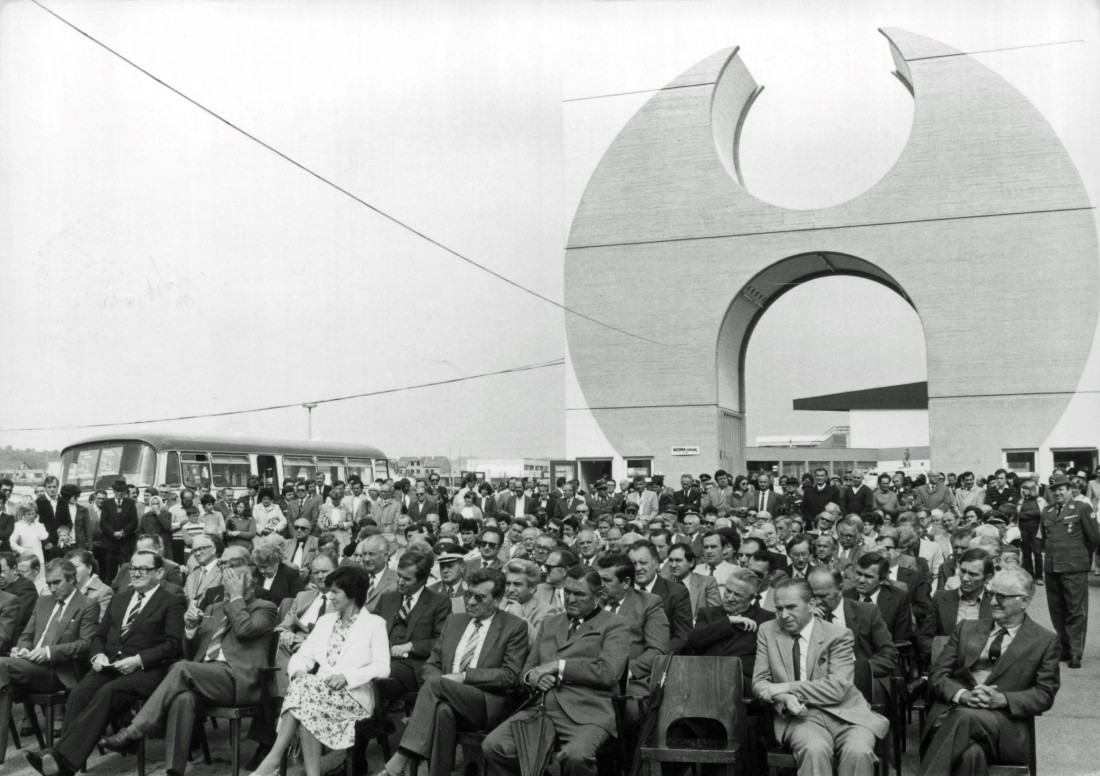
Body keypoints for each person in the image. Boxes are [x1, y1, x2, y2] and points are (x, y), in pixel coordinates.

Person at [98, 547, 277, 775]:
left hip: (239, 681)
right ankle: (174, 770)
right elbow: (192, 653)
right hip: (206, 675)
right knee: (184, 699)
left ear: (251, 584)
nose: (230, 584)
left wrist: (236, 598)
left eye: (237, 580)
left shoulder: (266, 608)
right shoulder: (214, 607)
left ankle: (135, 731)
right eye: (229, 580)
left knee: (181, 668)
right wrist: (191, 630)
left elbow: (244, 629)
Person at [24, 550, 185, 776]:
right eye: (133, 569)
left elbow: (173, 645)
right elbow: (98, 637)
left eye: (143, 569)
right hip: (111, 666)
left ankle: (60, 761)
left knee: (109, 691)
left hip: (147, 670)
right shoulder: (120, 598)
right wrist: (97, 656)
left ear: (159, 572)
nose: (136, 573)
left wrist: (139, 660)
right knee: (80, 692)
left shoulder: (172, 601)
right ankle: (64, 762)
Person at [482, 564, 631, 776]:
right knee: (494, 745)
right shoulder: (550, 623)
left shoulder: (615, 625)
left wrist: (558, 667)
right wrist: (533, 678)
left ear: (598, 595)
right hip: (543, 708)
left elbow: (609, 673)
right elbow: (527, 672)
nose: (570, 599)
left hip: (589, 711)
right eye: (567, 592)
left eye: (579, 594)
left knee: (576, 757)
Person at [379, 568, 529, 776]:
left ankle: (400, 758)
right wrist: (443, 683)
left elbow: (510, 676)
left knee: (435, 684)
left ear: (497, 600)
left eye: (480, 597)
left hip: (483, 703)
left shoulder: (514, 626)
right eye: (469, 595)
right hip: (445, 697)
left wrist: (462, 677)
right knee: (442, 711)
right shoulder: (455, 621)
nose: (471, 602)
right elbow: (431, 664)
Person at [249, 566, 391, 776]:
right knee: (305, 692)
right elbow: (302, 656)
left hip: (353, 697)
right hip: (317, 694)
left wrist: (347, 677)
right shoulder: (326, 622)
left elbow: (382, 667)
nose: (330, 596)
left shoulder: (374, 624)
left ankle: (272, 760)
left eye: (335, 592)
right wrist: (298, 672)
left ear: (352, 593)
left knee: (305, 693)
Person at [919, 567, 1060, 776]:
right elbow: (938, 674)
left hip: (1005, 728)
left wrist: (1002, 699)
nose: (993, 602)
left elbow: (1044, 694)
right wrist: (963, 695)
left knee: (964, 719)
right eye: (991, 594)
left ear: (1024, 601)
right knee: (970, 755)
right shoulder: (966, 628)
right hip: (955, 717)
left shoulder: (1044, 640)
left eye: (1001, 597)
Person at [753, 578, 889, 776]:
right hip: (801, 717)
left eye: (791, 607)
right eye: (779, 608)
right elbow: (759, 682)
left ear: (811, 604)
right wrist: (784, 698)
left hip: (848, 714)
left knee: (858, 752)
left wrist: (786, 687)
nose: (784, 615)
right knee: (814, 750)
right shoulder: (767, 630)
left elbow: (838, 688)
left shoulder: (838, 634)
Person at [0, 559, 100, 759]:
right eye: (48, 584)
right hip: (27, 666)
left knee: (1, 665)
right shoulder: (43, 601)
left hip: (57, 671)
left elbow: (85, 643)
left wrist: (48, 652)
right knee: (4, 689)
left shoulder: (87, 605)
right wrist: (22, 649)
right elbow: (26, 635)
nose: (52, 588)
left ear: (71, 579)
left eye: (57, 582)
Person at [807, 566, 898, 700]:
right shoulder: (805, 617)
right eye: (812, 596)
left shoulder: (867, 612)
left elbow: (889, 655)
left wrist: (854, 670)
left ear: (840, 589)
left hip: (859, 678)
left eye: (823, 595)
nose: (818, 602)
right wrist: (812, 625)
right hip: (818, 681)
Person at [374, 550, 451, 699]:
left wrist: (410, 646)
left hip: (413, 664)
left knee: (380, 675)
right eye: (399, 576)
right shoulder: (387, 599)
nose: (400, 582)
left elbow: (442, 642)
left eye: (407, 579)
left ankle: (377, 720)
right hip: (381, 658)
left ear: (423, 580)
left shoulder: (439, 602)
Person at [1041, 473, 1099, 668]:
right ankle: (1065, 648)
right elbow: (1045, 539)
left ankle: (1076, 652)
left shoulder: (1082, 508)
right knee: (1057, 610)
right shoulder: (1047, 511)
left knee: (1076, 610)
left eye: (1061, 489)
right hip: (1052, 567)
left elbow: (1093, 538)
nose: (1057, 493)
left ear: (1069, 489)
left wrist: (1080, 557)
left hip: (1074, 568)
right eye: (1054, 490)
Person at [594, 553, 669, 705]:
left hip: (631, 681)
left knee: (625, 709)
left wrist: (625, 673)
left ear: (626, 582)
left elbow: (657, 650)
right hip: (591, 677)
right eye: (598, 579)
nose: (599, 585)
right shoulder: (592, 602)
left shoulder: (649, 604)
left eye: (606, 580)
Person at [687, 567, 775, 684]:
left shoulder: (765, 619)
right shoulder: (707, 613)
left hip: (742, 684)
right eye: (728, 591)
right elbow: (694, 641)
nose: (729, 598)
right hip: (705, 681)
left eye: (737, 595)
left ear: (751, 598)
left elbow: (763, 662)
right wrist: (728, 622)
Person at [628, 540, 691, 654]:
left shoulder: (677, 592)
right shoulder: (623, 590)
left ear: (656, 563)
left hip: (660, 659)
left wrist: (654, 658)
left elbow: (682, 636)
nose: (637, 568)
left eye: (643, 562)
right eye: (633, 563)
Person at [843, 552, 913, 646]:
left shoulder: (898, 598)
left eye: (868, 576)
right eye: (859, 574)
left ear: (882, 580)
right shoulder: (844, 597)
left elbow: (901, 639)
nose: (861, 580)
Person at [931, 548, 993, 638]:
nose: (965, 578)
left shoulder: (994, 603)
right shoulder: (940, 598)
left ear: (987, 578)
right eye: (963, 571)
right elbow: (925, 639)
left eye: (973, 574)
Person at [500, 558, 553, 641]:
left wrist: (521, 619)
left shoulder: (546, 611)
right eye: (507, 583)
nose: (510, 590)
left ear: (532, 588)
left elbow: (538, 645)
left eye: (517, 585)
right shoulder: (497, 604)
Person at [99, 479, 139, 585]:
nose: (119, 493)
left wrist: (123, 532)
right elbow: (103, 522)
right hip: (110, 544)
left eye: (122, 491)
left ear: (126, 491)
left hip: (126, 543)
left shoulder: (130, 503)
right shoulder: (107, 503)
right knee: (110, 572)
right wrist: (113, 533)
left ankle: (125, 592)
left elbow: (134, 522)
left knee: (126, 571)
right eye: (117, 491)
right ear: (113, 491)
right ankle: (110, 593)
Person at [63, 549, 113, 619]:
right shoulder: (66, 589)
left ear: (89, 568)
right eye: (68, 568)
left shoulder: (103, 591)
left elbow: (99, 624)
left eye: (76, 566)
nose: (72, 571)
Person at [0, 551, 39, 633]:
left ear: (14, 569)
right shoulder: (4, 586)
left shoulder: (26, 587)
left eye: (2, 571)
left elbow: (17, 619)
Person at [139, 495, 176, 562]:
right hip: (150, 544)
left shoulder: (167, 514)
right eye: (153, 504)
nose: (155, 506)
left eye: (157, 503)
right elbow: (140, 530)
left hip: (163, 545)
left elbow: (167, 526)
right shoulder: (146, 516)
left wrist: (158, 513)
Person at [11, 501, 48, 566]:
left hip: (38, 557)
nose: (31, 516)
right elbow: (12, 543)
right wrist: (22, 551)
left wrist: (36, 523)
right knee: (23, 575)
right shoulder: (17, 525)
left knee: (40, 575)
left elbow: (44, 537)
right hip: (23, 556)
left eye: (33, 513)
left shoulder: (39, 525)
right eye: (28, 514)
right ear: (23, 514)